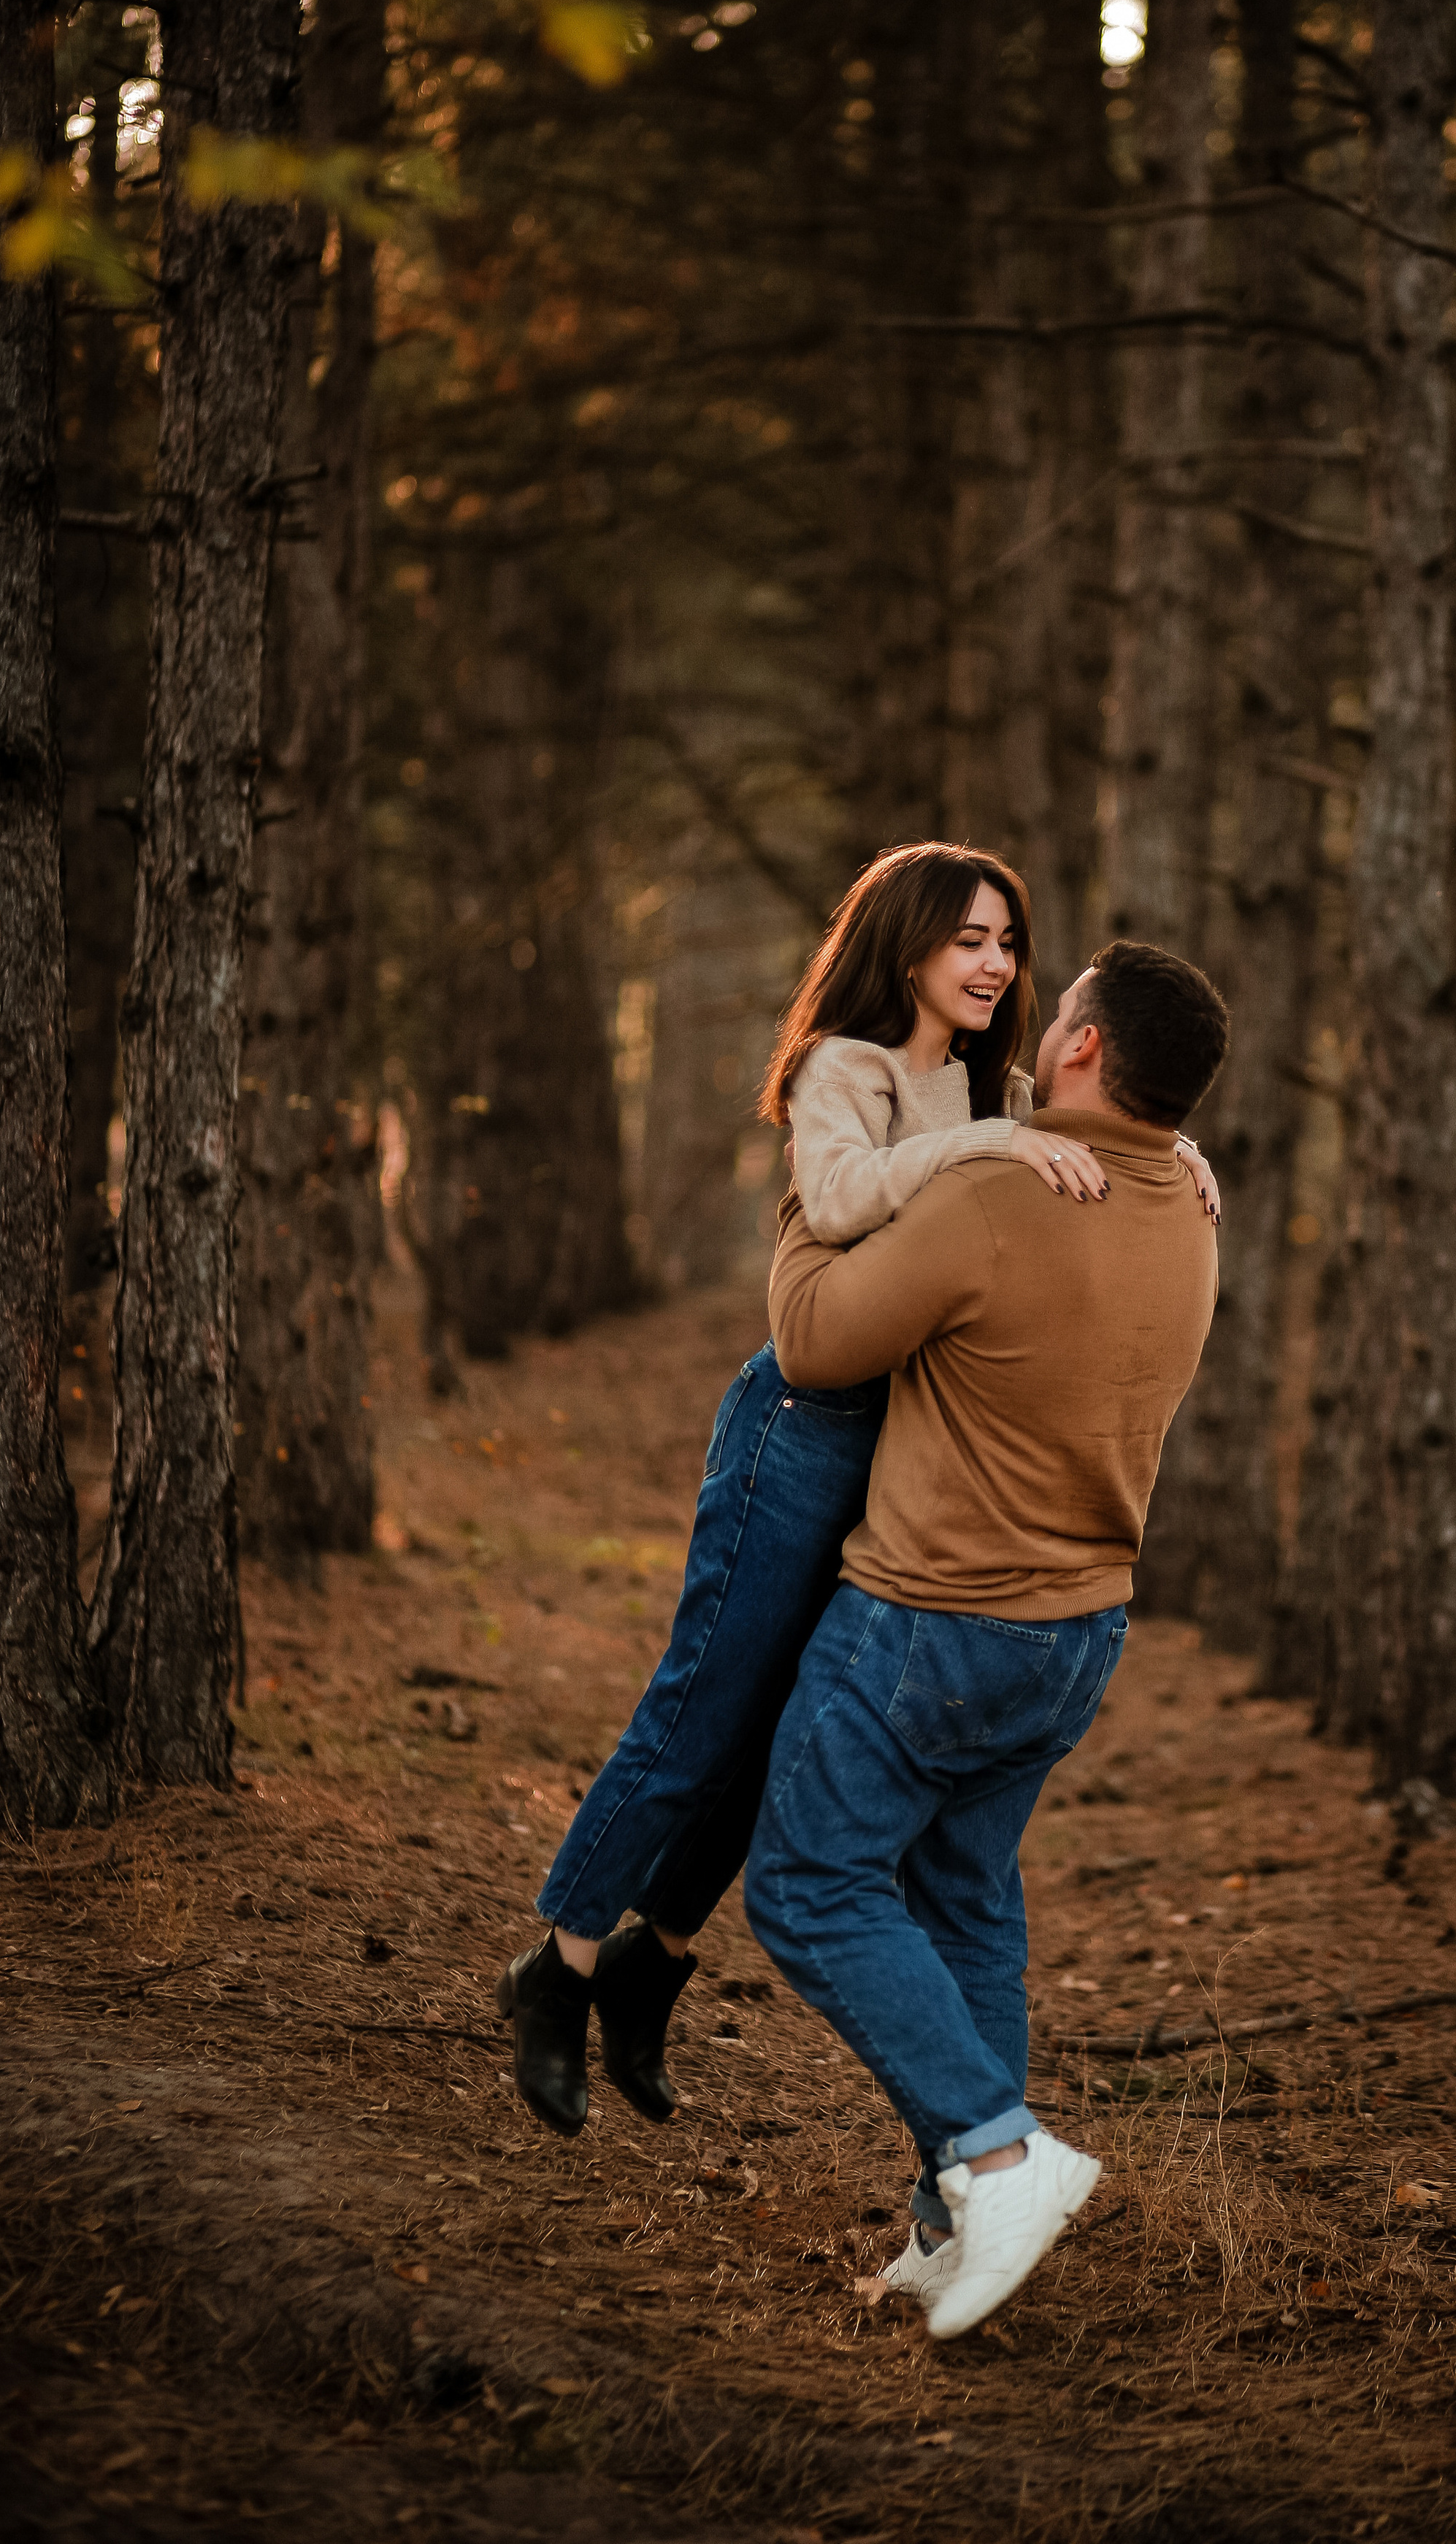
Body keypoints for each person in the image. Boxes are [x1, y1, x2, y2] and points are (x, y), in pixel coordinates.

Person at [494, 846, 1220, 2142]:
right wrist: (994, 1143)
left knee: (779, 1733)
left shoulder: (981, 1080)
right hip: (805, 1425)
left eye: (1010, 941)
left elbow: (1080, 1138)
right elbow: (833, 1203)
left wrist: (1175, 1147)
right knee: (705, 1710)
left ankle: (654, 1963)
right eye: (971, 940)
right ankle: (559, 1966)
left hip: (899, 1436)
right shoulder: (849, 1067)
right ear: (905, 947)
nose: (998, 963)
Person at [743, 939, 1229, 2338]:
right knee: (962, 1901)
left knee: (812, 1883)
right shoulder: (1189, 1200)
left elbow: (813, 1341)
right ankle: (959, 2232)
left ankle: (1000, 2157)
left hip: (931, 1621)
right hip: (1079, 1632)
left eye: (1055, 1005)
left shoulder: (996, 1199)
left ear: (1077, 1050)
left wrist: (809, 1195)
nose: (1032, 1008)